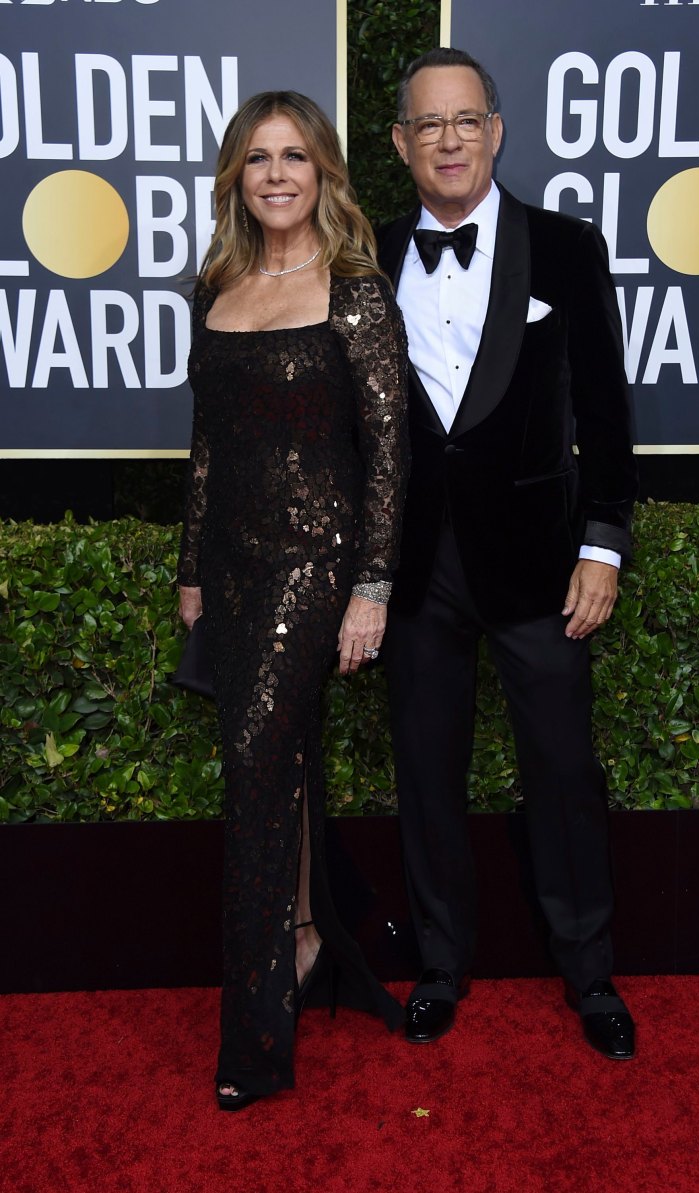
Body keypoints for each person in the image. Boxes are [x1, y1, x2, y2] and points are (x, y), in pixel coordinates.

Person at [377, 49, 639, 1059]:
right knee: (426, 772)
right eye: (426, 125)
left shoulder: (566, 248)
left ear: (495, 131)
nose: (448, 139)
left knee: (564, 771)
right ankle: (440, 966)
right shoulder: (370, 252)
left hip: (537, 560)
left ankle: (588, 972)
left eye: (465, 120)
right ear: (400, 144)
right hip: (411, 565)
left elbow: (604, 409)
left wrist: (602, 543)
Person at [178, 90, 409, 1110]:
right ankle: (310, 938)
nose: (277, 174)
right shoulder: (217, 284)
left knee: (253, 765)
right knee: (286, 758)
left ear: (322, 174)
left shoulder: (354, 289)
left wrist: (369, 583)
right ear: (238, 175)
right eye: (259, 158)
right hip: (228, 566)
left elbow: (388, 452)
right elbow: (206, 450)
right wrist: (191, 570)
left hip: (314, 565)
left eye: (296, 157)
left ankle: (254, 1041)